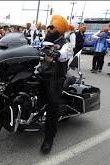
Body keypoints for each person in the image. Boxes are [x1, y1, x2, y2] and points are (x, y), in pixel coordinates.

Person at [39, 15, 72, 154]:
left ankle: (49, 138)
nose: (49, 28)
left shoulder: (66, 43)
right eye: (49, 26)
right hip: (43, 73)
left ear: (59, 29)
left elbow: (64, 55)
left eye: (52, 27)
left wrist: (53, 53)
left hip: (56, 77)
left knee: (53, 105)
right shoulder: (46, 39)